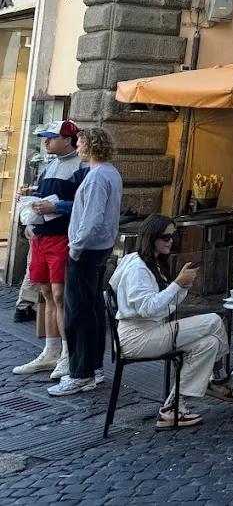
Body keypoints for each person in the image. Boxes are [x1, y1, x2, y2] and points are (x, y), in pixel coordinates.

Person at [108, 215, 233, 427]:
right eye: (166, 237)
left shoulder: (150, 263)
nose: (171, 241)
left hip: (151, 331)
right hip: (137, 337)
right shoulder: (138, 268)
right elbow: (148, 309)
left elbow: (167, 305)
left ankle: (173, 406)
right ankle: (219, 379)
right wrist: (176, 284)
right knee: (214, 321)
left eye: (174, 236)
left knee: (209, 344)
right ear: (151, 237)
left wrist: (183, 286)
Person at [49, 127, 123, 397]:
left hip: (87, 250)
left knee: (78, 312)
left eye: (80, 143)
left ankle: (81, 372)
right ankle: (93, 367)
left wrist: (76, 247)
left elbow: (91, 218)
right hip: (100, 248)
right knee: (92, 309)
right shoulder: (110, 173)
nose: (78, 148)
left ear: (91, 146)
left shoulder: (96, 177)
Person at [11, 120, 85, 380]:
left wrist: (56, 208)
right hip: (42, 236)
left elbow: (83, 202)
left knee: (59, 293)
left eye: (51, 137)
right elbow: (49, 194)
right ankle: (52, 350)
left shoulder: (81, 166)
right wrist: (31, 194)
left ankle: (67, 354)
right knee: (45, 291)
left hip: (61, 236)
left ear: (67, 139)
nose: (46, 141)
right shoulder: (51, 163)